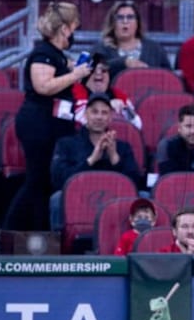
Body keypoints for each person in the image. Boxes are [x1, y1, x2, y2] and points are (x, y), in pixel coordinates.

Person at [3, 2, 92, 231]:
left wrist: (76, 70)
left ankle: (39, 234)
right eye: (74, 27)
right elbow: (43, 86)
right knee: (35, 180)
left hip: (53, 124)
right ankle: (7, 231)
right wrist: (74, 75)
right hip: (37, 124)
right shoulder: (43, 53)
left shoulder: (58, 55)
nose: (74, 32)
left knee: (43, 181)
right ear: (64, 28)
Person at [49, 92, 142, 231]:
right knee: (57, 199)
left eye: (104, 113)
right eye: (94, 112)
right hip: (79, 198)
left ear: (110, 117)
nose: (99, 117)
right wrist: (91, 159)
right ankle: (60, 248)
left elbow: (135, 184)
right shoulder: (66, 144)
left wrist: (114, 157)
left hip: (113, 198)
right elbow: (58, 179)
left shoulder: (123, 147)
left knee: (144, 197)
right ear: (86, 115)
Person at [92, 0, 172, 78]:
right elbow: (93, 71)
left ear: (137, 22)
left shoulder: (155, 49)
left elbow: (169, 78)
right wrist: (123, 63)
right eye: (120, 17)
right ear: (112, 23)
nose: (125, 21)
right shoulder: (101, 48)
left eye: (130, 17)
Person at [72, 52, 142, 130]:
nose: (98, 73)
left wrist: (125, 109)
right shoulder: (75, 91)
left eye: (103, 70)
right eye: (93, 70)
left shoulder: (118, 94)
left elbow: (138, 125)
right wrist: (108, 106)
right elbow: (81, 120)